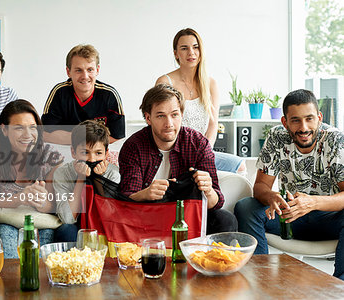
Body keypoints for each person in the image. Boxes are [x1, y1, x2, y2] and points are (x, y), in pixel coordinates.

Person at [234, 89, 344, 280]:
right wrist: (271, 196)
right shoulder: (276, 137)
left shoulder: (335, 139)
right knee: (246, 206)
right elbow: (260, 187)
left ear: (319, 117)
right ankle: (260, 281)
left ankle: (340, 286)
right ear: (285, 122)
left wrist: (313, 203)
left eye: (309, 119)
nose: (304, 127)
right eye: (295, 120)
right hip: (290, 217)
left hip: (330, 219)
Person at [119, 84, 237, 234]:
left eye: (174, 115)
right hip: (147, 215)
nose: (169, 124)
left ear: (181, 114)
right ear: (148, 118)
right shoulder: (134, 146)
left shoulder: (198, 143)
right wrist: (146, 194)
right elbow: (125, 199)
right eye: (161, 116)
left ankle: (206, 258)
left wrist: (208, 190)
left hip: (187, 214)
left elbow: (216, 202)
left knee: (225, 219)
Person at [0, 99, 78, 258]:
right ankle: (11, 281)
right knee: (4, 231)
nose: (28, 135)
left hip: (42, 220)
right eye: (19, 128)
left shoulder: (51, 157)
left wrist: (41, 202)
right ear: (4, 130)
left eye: (33, 128)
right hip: (7, 220)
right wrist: (21, 198)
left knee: (44, 246)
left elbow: (54, 207)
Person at [156, 28, 245, 174]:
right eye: (184, 48)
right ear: (176, 53)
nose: (191, 52)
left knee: (239, 165)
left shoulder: (210, 84)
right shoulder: (165, 82)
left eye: (195, 47)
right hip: (174, 150)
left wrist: (204, 152)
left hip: (201, 151)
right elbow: (161, 122)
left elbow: (212, 124)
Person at [41, 44, 125, 145]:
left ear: (97, 70)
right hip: (66, 151)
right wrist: (91, 137)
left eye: (90, 70)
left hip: (99, 153)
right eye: (78, 70)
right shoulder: (59, 93)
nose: (85, 76)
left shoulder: (109, 95)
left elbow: (117, 136)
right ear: (68, 72)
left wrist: (80, 140)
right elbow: (44, 133)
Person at [54, 120, 120, 225]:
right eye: (85, 152)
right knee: (66, 230)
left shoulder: (113, 173)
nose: (92, 159)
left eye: (98, 153)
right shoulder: (62, 173)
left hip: (104, 225)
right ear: (73, 152)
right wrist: (80, 178)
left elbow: (111, 215)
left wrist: (99, 178)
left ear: (106, 154)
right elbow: (67, 219)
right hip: (76, 226)